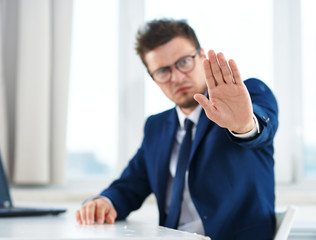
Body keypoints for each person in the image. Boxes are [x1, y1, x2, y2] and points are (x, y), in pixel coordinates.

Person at [75, 19, 278, 240]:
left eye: (183, 62)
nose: (177, 77)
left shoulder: (246, 97)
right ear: (153, 78)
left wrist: (243, 125)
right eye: (163, 71)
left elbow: (260, 131)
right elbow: (131, 184)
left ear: (201, 56)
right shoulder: (156, 127)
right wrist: (105, 201)